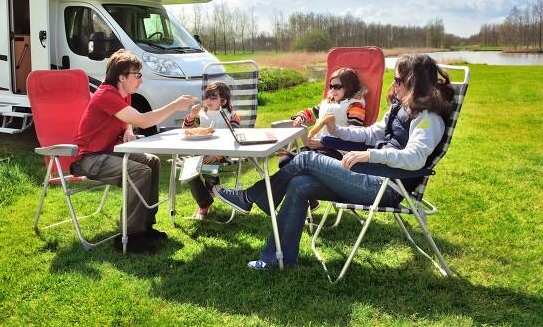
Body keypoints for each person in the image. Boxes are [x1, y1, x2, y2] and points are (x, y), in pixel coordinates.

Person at [215, 54, 454, 269]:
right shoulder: (401, 109)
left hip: (386, 187)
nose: (394, 85)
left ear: (416, 83)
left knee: (307, 158)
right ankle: (277, 259)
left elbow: (414, 158)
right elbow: (372, 134)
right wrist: (337, 130)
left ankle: (252, 197)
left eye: (399, 80)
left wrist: (370, 155)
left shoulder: (429, 118)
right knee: (298, 185)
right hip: (371, 176)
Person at [73, 49, 194, 254]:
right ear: (121, 77)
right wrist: (175, 106)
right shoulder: (106, 95)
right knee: (139, 171)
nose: (141, 80)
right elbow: (144, 120)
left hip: (110, 152)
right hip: (91, 158)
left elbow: (129, 119)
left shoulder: (124, 96)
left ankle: (146, 226)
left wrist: (128, 129)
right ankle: (128, 236)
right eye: (137, 75)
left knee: (152, 161)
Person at [281, 68, 366, 211]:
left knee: (296, 162)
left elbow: (355, 136)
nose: (333, 89)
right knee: (284, 160)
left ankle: (305, 194)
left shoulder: (355, 105)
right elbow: (311, 112)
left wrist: (324, 142)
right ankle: (312, 201)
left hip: (337, 152)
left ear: (349, 86)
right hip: (316, 149)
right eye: (331, 86)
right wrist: (301, 117)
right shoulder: (328, 102)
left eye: (337, 86)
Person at [182, 81, 240, 219]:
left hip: (224, 153)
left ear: (223, 100)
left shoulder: (232, 115)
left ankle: (212, 189)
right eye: (207, 97)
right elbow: (186, 130)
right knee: (188, 168)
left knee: (207, 166)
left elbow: (235, 138)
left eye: (213, 97)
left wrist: (217, 155)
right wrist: (191, 115)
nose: (208, 100)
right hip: (201, 153)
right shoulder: (202, 114)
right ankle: (205, 201)